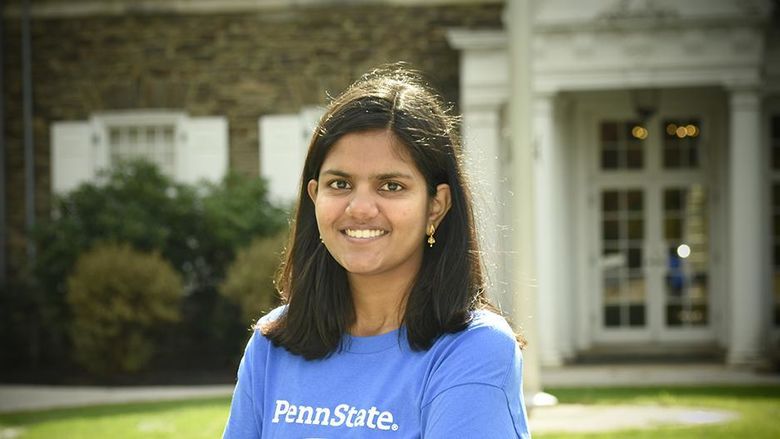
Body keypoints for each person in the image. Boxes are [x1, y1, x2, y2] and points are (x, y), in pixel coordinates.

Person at [222, 64, 531, 438]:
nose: (360, 207)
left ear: (436, 205)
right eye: (340, 183)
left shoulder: (474, 349)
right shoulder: (272, 345)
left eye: (391, 186)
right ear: (315, 197)